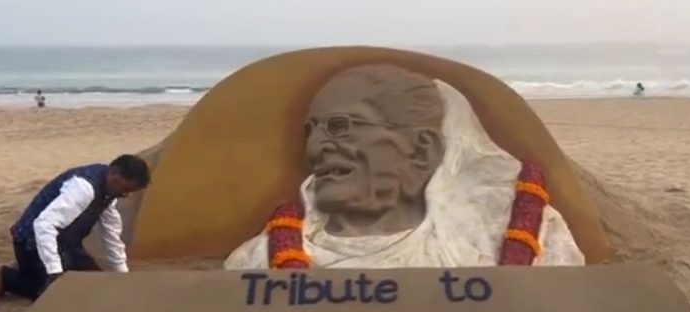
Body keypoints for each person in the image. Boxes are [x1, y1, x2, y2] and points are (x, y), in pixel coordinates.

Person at [223, 65, 584, 270]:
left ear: (421, 149)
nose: (315, 149)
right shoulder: (258, 261)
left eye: (341, 127)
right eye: (311, 131)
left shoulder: (528, 238)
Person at [0, 154, 151, 301]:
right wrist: (54, 272)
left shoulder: (109, 194)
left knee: (98, 286)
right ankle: (7, 277)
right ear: (114, 174)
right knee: (63, 296)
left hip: (67, 246)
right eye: (126, 189)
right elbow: (44, 225)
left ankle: (29, 271)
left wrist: (123, 278)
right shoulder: (83, 189)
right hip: (31, 243)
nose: (126, 195)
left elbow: (111, 238)